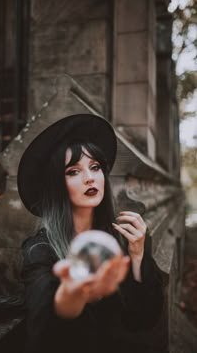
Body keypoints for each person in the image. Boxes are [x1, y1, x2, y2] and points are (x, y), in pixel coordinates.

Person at [17, 114, 164, 353]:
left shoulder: (120, 238)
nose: (89, 178)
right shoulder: (41, 250)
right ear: (57, 185)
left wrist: (138, 256)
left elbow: (143, 320)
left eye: (95, 167)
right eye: (73, 171)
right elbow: (44, 333)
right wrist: (72, 293)